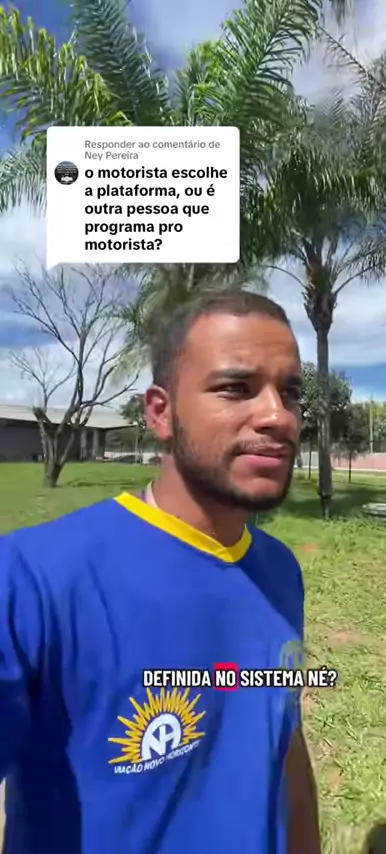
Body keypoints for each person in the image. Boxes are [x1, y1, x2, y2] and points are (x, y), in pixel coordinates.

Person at [0, 291, 320, 854]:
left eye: (289, 392)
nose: (278, 416)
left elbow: (283, 742)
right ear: (160, 413)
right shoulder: (30, 577)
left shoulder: (280, 570)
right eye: (236, 387)